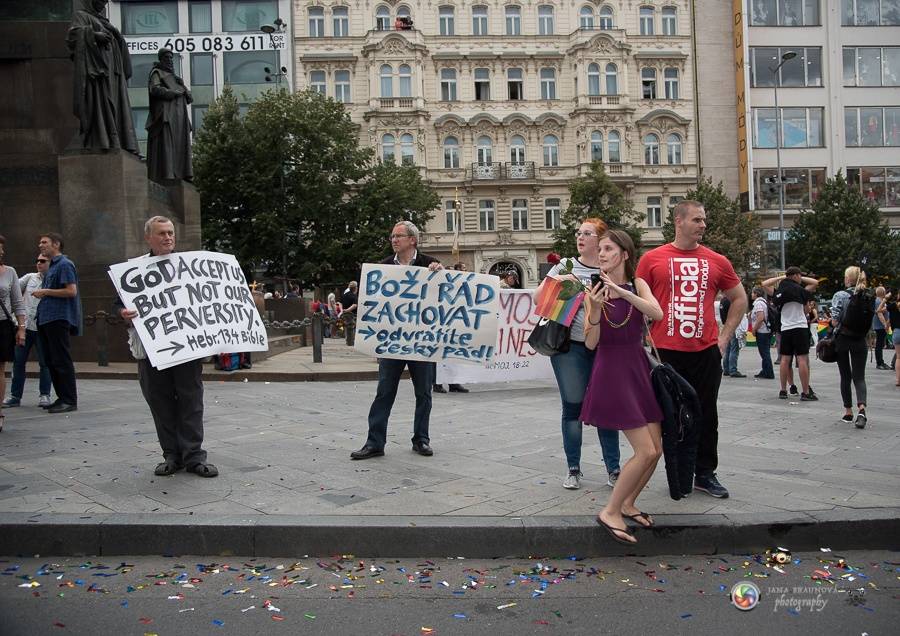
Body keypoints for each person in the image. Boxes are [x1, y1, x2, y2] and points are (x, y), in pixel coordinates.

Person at [635, 200, 747, 499]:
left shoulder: (717, 261)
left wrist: (724, 337)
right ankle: (673, 471)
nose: (703, 225)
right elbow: (640, 301)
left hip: (705, 352)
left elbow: (739, 298)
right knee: (666, 415)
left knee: (706, 413)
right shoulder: (651, 259)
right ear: (679, 221)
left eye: (704, 220)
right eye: (697, 219)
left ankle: (705, 472)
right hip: (665, 353)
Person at [116, 216, 218, 477]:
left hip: (186, 349)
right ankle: (172, 455)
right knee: (160, 402)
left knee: (191, 401)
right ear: (148, 237)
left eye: (171, 232)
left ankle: (194, 456)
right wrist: (124, 314)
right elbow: (120, 304)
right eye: (161, 233)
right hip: (152, 351)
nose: (168, 237)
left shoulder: (190, 267)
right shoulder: (133, 271)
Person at [580, 230, 663, 545]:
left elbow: (656, 313)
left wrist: (622, 292)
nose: (601, 254)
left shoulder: (638, 284)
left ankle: (628, 503)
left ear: (625, 254)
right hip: (612, 371)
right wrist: (595, 309)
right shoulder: (592, 292)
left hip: (638, 369)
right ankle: (610, 511)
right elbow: (590, 343)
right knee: (645, 450)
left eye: (608, 249)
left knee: (656, 450)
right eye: (600, 249)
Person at [351, 221, 444, 460]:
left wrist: (441, 273)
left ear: (412, 240)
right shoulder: (382, 267)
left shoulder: (430, 264)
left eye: (398, 236)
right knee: (384, 392)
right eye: (392, 236)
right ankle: (374, 442)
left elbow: (445, 295)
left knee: (424, 393)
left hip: (421, 342)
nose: (393, 240)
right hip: (392, 342)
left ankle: (421, 439)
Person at [546, 218, 621, 490]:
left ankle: (614, 469)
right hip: (570, 347)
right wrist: (559, 283)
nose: (580, 237)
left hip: (605, 347)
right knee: (573, 406)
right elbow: (540, 300)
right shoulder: (565, 265)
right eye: (579, 233)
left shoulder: (610, 267)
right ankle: (573, 468)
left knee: (606, 407)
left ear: (600, 239)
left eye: (587, 233)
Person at [66, 0, 138, 153]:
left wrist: (117, 35)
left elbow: (118, 45)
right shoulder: (81, 15)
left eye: (105, 2)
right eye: (100, 0)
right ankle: (105, 139)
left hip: (114, 71)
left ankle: (120, 140)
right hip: (98, 70)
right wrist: (93, 35)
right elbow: (72, 36)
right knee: (103, 103)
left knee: (117, 105)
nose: (103, 4)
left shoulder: (105, 21)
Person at [34, 233, 81, 414]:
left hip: (58, 318)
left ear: (56, 244)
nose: (40, 245)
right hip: (46, 318)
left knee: (61, 359)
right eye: (40, 242)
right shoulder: (52, 266)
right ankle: (62, 397)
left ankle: (69, 400)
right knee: (51, 360)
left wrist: (45, 291)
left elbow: (71, 291)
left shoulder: (65, 264)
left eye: (44, 242)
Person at [3, 254, 53, 408]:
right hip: (25, 326)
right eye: (37, 261)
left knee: (45, 363)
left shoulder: (53, 280)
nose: (39, 263)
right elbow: (12, 290)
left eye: (43, 261)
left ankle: (45, 395)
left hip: (43, 327)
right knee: (18, 362)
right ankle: (15, 396)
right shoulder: (30, 277)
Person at [762, 268, 819, 401]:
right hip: (800, 327)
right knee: (802, 359)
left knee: (785, 359)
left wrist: (783, 277)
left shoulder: (779, 292)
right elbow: (815, 283)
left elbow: (764, 284)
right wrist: (797, 278)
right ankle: (805, 392)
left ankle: (783, 390)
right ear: (796, 276)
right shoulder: (801, 290)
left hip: (785, 328)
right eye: (799, 276)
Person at [830, 266, 871, 428]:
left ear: (848, 279)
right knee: (859, 377)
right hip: (860, 340)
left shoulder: (840, 295)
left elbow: (835, 321)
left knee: (845, 376)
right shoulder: (867, 295)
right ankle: (862, 409)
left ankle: (848, 412)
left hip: (843, 339)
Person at [146, 47, 193, 183]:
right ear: (161, 59)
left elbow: (189, 98)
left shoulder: (176, 79)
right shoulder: (157, 73)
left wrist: (183, 86)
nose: (170, 60)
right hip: (166, 115)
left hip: (180, 117)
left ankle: (182, 173)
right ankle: (168, 173)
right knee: (167, 145)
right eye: (167, 57)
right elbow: (154, 89)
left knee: (180, 145)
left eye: (171, 58)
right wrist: (171, 93)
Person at [0, 235, 27, 432]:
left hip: (2, 324)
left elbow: (18, 302)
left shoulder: (9, 272)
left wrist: (22, 328)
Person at [434, 262, 471, 394]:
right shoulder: (438, 286)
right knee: (438, 356)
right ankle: (437, 383)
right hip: (440, 325)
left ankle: (453, 383)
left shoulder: (461, 285)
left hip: (455, 325)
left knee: (453, 355)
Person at [749, 287, 774, 379]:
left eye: (752, 293)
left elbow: (760, 318)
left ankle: (769, 372)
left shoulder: (758, 303)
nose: (751, 294)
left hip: (762, 331)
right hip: (766, 330)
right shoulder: (763, 302)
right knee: (765, 351)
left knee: (764, 352)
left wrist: (754, 329)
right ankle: (765, 370)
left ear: (756, 294)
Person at [720, 295, 745, 378]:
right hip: (733, 326)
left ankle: (726, 369)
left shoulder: (723, 300)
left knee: (728, 349)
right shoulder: (731, 300)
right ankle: (733, 369)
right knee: (734, 349)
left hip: (726, 325)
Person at [873, 286, 890, 370]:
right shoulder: (878, 301)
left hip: (880, 325)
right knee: (879, 344)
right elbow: (879, 313)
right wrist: (885, 324)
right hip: (880, 325)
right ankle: (879, 362)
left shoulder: (880, 300)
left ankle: (881, 361)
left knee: (880, 344)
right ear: (883, 292)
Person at [884, 290, 899, 384]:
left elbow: (879, 310)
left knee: (899, 357)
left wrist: (885, 299)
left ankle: (898, 380)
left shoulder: (893, 305)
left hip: (896, 331)